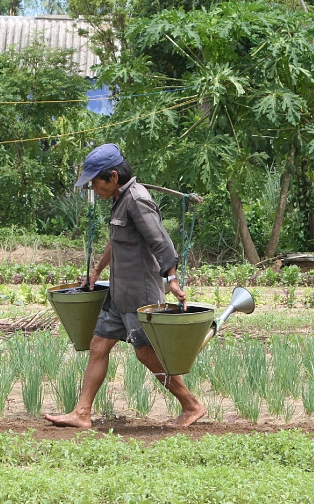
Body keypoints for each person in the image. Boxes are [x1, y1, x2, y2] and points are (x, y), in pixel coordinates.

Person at [44, 144, 207, 428]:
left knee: (145, 353)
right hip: (119, 292)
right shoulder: (121, 200)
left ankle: (191, 405)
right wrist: (97, 269)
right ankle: (82, 413)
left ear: (114, 176)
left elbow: (161, 241)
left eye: (96, 181)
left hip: (139, 294)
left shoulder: (138, 200)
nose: (94, 188)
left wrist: (173, 279)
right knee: (98, 345)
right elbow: (116, 239)